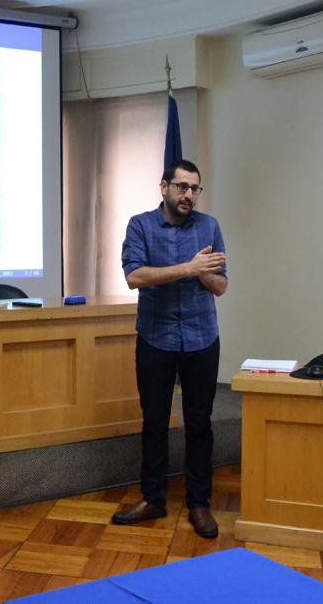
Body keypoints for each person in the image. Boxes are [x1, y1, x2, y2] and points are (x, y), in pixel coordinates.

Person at [113, 159, 228, 538]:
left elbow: (221, 286)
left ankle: (198, 503)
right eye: (182, 187)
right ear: (163, 186)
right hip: (156, 338)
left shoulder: (209, 226)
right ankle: (154, 499)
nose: (189, 195)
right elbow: (135, 276)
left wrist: (205, 273)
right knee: (155, 421)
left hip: (201, 338)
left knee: (199, 424)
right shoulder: (140, 225)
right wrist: (188, 268)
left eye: (195, 188)